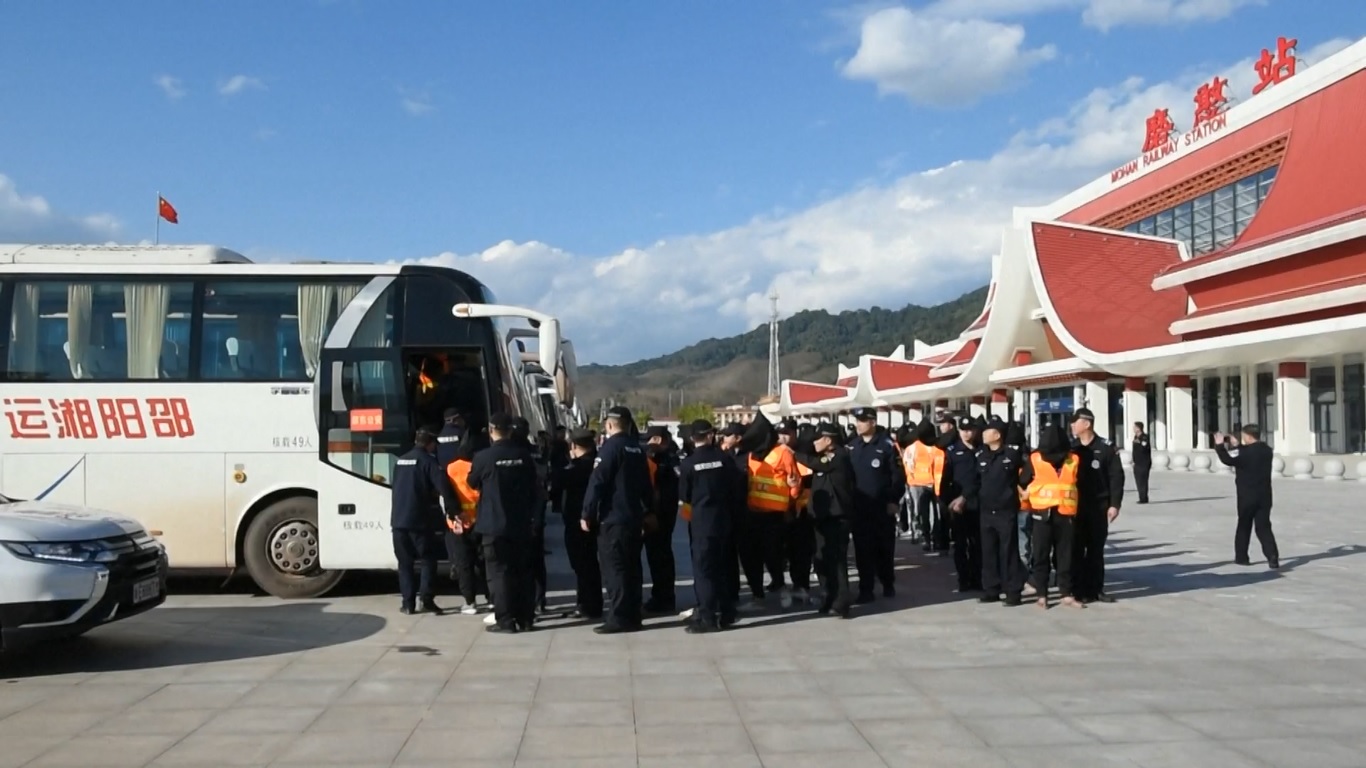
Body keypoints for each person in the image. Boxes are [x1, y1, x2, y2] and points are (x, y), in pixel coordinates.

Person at [581, 406, 654, 634]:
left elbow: (598, 482)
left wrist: (587, 513)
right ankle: (633, 615)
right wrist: (649, 511)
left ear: (610, 424)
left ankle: (619, 617)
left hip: (613, 519)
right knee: (632, 568)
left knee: (615, 569)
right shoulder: (637, 449)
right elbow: (646, 485)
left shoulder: (610, 448)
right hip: (633, 517)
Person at [468, 413, 540, 633]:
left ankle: (506, 621)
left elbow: (472, 482)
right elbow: (534, 486)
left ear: (491, 431)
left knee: (499, 574)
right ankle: (526, 619)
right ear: (510, 431)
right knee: (523, 572)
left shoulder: (483, 457)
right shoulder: (524, 456)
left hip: (493, 525)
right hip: (521, 524)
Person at [677, 419, 744, 632]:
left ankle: (707, 617)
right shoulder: (724, 459)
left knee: (704, 571)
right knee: (723, 568)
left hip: (702, 523)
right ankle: (727, 613)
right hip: (724, 520)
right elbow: (736, 487)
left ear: (692, 438)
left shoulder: (688, 464)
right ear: (710, 435)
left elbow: (685, 496)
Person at [390, 426, 459, 615]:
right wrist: (454, 510)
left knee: (405, 563)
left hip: (398, 521)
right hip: (420, 521)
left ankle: (408, 604)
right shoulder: (428, 462)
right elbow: (444, 487)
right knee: (428, 560)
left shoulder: (400, 461)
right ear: (430, 444)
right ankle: (426, 600)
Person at [847, 407, 903, 602]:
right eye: (857, 420)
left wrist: (893, 500)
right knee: (862, 550)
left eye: (862, 421)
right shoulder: (852, 446)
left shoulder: (887, 446)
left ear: (872, 422)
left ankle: (887, 583)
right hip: (860, 507)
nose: (858, 424)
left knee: (884, 548)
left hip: (882, 507)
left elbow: (897, 477)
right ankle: (866, 589)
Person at [975, 417, 1033, 606]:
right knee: (988, 552)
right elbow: (977, 481)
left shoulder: (1012, 455)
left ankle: (1013, 592)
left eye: (987, 431)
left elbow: (1028, 472)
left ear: (997, 435)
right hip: (986, 511)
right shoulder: (981, 456)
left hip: (1005, 511)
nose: (983, 434)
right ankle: (991, 589)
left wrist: (1021, 489)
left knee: (1008, 553)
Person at [1025, 421, 1083, 609]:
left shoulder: (1074, 459)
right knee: (1040, 555)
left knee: (1065, 556)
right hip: (1041, 514)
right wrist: (1026, 502)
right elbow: (1022, 481)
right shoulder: (1035, 459)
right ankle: (1042, 594)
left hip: (1065, 514)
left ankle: (1066, 593)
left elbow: (1081, 483)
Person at [800, 422, 856, 618]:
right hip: (822, 515)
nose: (814, 443)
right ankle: (828, 595)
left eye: (818, 439)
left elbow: (816, 464)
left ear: (828, 439)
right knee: (821, 559)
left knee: (836, 560)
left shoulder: (838, 456)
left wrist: (793, 453)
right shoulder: (824, 457)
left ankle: (842, 601)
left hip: (837, 516)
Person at [1070, 408, 1124, 604]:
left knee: (1095, 549)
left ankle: (1096, 589)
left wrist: (1114, 504)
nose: (1072, 425)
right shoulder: (1072, 448)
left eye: (1075, 422)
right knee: (1076, 549)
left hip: (1098, 506)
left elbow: (1116, 477)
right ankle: (1078, 589)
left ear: (1086, 424)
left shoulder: (1106, 447)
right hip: (1076, 506)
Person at [1214, 424, 1280, 569]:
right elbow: (1249, 453)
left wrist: (1219, 446)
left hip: (1247, 495)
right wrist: (1237, 445)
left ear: (1248, 436)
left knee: (1244, 525)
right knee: (1263, 527)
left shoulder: (1245, 454)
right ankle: (1272, 556)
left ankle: (1241, 557)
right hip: (1264, 495)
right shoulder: (1267, 450)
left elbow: (1228, 460)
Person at [560, 428, 603, 619]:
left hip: (577, 520)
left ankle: (587, 605)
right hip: (593, 519)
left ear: (574, 446)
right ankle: (589, 603)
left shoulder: (575, 468)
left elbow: (558, 482)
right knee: (590, 563)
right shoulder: (598, 464)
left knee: (582, 565)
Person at [939, 416, 983, 593]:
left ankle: (977, 578)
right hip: (958, 506)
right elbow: (945, 480)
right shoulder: (952, 451)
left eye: (970, 430)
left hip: (978, 503)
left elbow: (982, 477)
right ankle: (963, 579)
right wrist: (948, 502)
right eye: (963, 430)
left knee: (978, 545)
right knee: (960, 544)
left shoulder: (982, 450)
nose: (967, 433)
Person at [445, 437, 489, 615]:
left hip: (458, 523)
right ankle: (491, 598)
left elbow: (446, 493)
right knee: (484, 562)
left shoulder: (450, 468)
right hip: (479, 520)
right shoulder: (478, 467)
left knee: (464, 564)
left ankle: (470, 602)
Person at [643, 425, 680, 614]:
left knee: (658, 557)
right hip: (667, 512)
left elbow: (656, 489)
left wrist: (650, 512)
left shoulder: (660, 458)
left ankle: (662, 597)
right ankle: (664, 595)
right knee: (662, 555)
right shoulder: (672, 457)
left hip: (659, 514)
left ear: (657, 439)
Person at [907, 418, 947, 554]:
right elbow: (908, 465)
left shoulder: (937, 447)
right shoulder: (913, 447)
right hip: (919, 485)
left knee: (935, 515)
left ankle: (934, 538)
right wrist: (911, 481)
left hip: (935, 485)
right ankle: (926, 538)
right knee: (922, 513)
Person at [1131, 422, 1152, 504]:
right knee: (1138, 480)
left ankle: (1144, 498)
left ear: (1139, 428)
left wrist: (1139, 442)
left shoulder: (1144, 437)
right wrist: (1133, 460)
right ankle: (1141, 496)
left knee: (1143, 480)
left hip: (1144, 462)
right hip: (1137, 462)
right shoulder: (1136, 437)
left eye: (1135, 427)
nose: (1133, 429)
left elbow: (1143, 448)